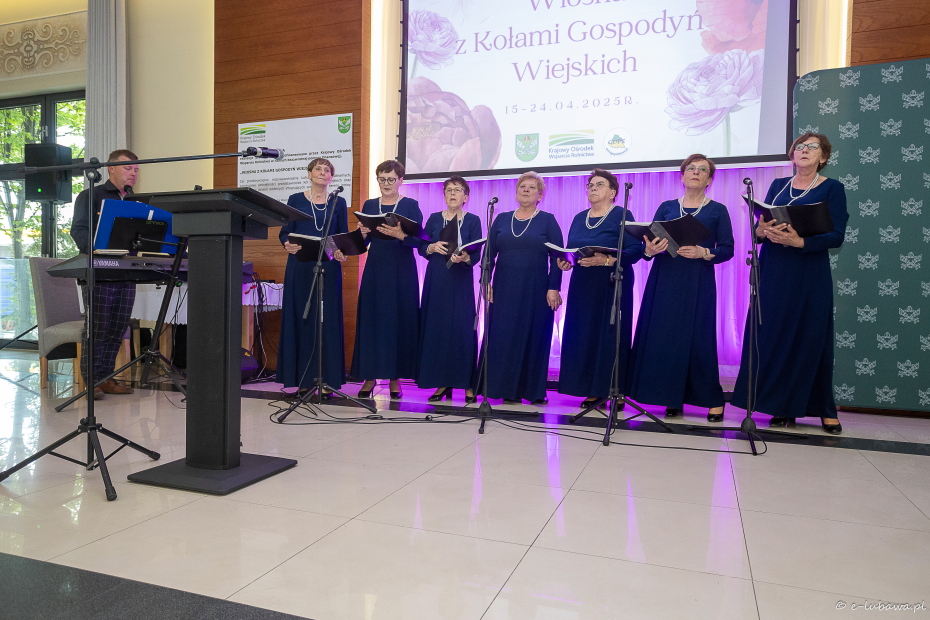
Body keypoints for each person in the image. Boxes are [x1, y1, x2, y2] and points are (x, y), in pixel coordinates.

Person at [731, 133, 848, 434]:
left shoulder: (832, 188)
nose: (804, 150)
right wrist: (760, 230)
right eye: (799, 147)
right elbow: (760, 228)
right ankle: (779, 406)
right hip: (775, 269)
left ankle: (822, 409)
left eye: (812, 147)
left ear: (823, 157)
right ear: (792, 155)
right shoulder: (778, 185)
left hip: (809, 271)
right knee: (773, 335)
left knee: (810, 338)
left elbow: (836, 236)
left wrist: (801, 242)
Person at [628, 155, 734, 422]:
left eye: (702, 170)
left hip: (698, 281)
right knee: (666, 338)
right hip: (665, 279)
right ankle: (671, 397)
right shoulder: (666, 207)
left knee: (699, 339)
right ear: (682, 175)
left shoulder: (718, 210)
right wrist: (649, 250)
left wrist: (703, 252)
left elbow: (728, 249)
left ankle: (712, 400)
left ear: (709, 179)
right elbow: (647, 243)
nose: (695, 172)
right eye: (691, 168)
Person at [556, 169, 643, 408]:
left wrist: (606, 260)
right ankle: (591, 389)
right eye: (590, 185)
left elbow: (635, 251)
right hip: (583, 285)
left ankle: (615, 389)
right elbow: (572, 250)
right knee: (584, 334)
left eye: (599, 184)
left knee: (610, 335)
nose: (593, 188)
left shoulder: (622, 215)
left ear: (613, 192)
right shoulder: (579, 218)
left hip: (612, 284)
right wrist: (566, 262)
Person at [482, 171, 563, 405]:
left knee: (534, 337)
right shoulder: (501, 219)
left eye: (531, 187)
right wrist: (485, 282)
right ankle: (505, 389)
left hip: (536, 289)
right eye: (522, 187)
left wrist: (554, 287)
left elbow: (558, 256)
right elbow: (488, 254)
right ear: (516, 193)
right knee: (504, 337)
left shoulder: (547, 220)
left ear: (540, 195)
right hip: (504, 289)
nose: (526, 190)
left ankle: (533, 391)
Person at [70, 149, 139, 399]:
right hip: (100, 272)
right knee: (97, 328)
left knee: (118, 328)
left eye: (136, 169)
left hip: (127, 273)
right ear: (111, 169)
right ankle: (91, 381)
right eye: (127, 168)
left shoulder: (137, 201)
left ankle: (107, 377)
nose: (133, 173)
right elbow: (78, 231)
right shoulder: (91, 195)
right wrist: (98, 250)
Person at [276, 158, 347, 399]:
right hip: (300, 266)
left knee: (326, 322)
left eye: (327, 170)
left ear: (331, 178)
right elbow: (285, 232)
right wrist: (286, 243)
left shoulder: (338, 202)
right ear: (309, 174)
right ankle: (302, 380)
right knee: (302, 319)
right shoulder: (296, 199)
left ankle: (326, 380)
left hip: (329, 268)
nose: (323, 173)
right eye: (318, 169)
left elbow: (341, 236)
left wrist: (341, 251)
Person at [351, 160, 422, 399]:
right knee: (372, 320)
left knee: (398, 322)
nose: (386, 184)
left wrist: (401, 235)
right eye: (382, 179)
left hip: (402, 269)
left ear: (401, 180)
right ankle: (369, 377)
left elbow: (420, 241)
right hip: (376, 269)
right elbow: (363, 243)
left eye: (391, 179)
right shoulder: (370, 205)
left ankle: (395, 378)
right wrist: (362, 234)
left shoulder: (410, 205)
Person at [417, 175, 482, 404]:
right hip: (437, 279)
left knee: (463, 331)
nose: (452, 194)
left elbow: (478, 252)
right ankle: (442, 383)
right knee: (438, 329)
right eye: (448, 190)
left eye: (457, 190)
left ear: (466, 196)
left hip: (461, 280)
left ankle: (466, 383)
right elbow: (421, 245)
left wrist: (466, 257)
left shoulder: (473, 220)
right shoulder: (435, 218)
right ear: (444, 195)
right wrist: (431, 247)